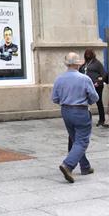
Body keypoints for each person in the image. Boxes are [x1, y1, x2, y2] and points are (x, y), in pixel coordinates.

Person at [52, 52, 99, 183]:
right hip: (80, 111)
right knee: (82, 141)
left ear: (66, 64)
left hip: (66, 111)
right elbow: (94, 97)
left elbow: (55, 98)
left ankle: (85, 167)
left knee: (75, 139)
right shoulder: (84, 79)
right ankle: (68, 165)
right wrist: (87, 101)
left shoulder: (59, 79)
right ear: (78, 64)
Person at [79, 49, 108, 127]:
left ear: (93, 54)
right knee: (84, 101)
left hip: (96, 86)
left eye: (89, 54)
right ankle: (85, 119)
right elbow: (80, 72)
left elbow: (104, 74)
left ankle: (101, 120)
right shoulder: (85, 63)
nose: (88, 55)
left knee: (99, 102)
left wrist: (98, 82)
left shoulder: (97, 63)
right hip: (86, 86)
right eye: (86, 54)